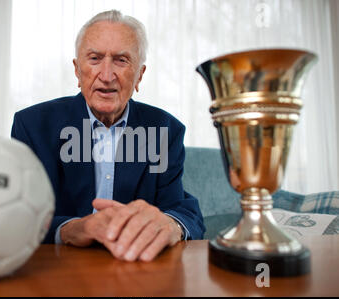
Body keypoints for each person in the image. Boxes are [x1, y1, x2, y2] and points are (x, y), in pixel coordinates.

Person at [11, 10, 205, 262]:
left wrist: (171, 225)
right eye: (94, 58)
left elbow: (177, 206)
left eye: (121, 60)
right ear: (77, 71)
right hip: (56, 266)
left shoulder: (166, 130)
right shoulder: (32, 125)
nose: (106, 75)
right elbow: (17, 217)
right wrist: (72, 228)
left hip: (137, 268)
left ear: (140, 75)